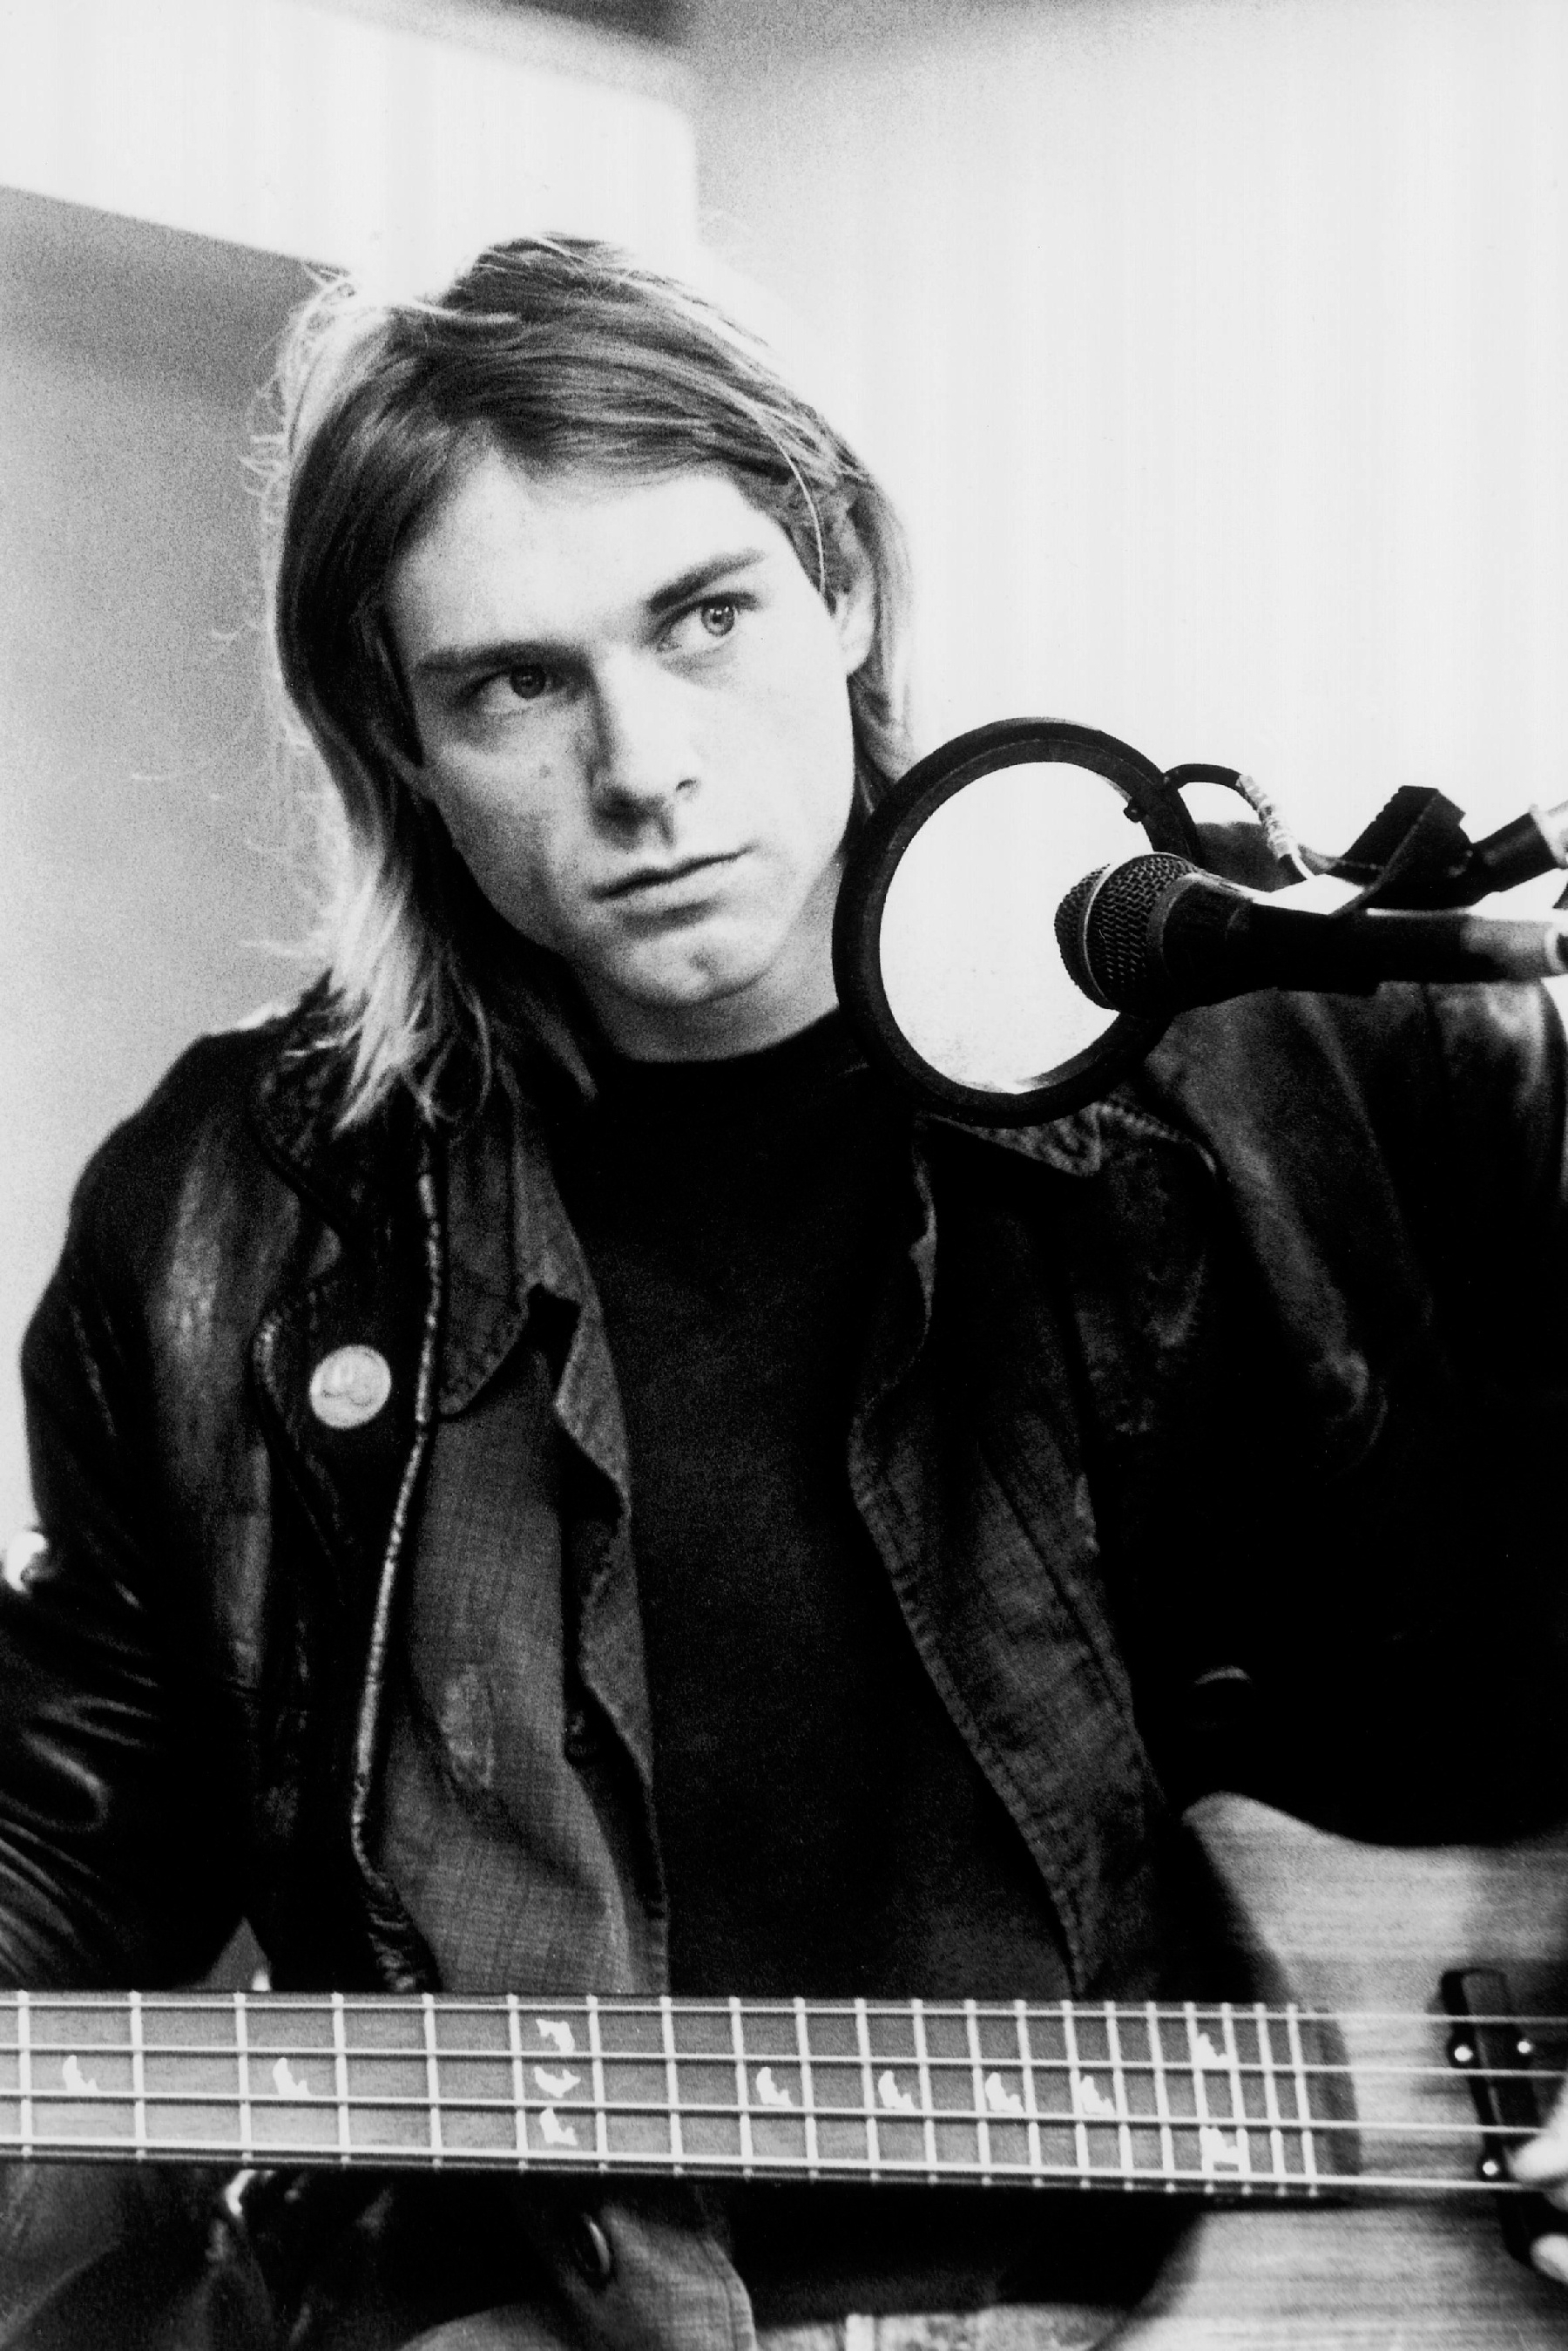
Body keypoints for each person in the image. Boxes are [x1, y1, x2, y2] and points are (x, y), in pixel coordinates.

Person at [5, 234, 1568, 2347]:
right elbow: (65, 1843)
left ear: (837, 579)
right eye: (514, 684)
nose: (642, 765)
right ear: (397, 732)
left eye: (705, 616)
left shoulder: (1309, 1052)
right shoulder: (232, 1213)